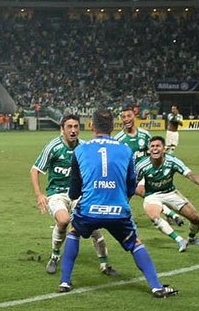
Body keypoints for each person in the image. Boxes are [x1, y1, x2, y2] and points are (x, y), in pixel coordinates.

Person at [58, 108, 177, 298]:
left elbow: (74, 189)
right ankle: (156, 286)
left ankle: (65, 281)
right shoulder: (125, 150)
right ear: (113, 127)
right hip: (118, 210)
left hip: (90, 209)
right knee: (135, 243)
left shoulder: (80, 150)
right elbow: (132, 184)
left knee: (74, 232)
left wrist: (81, 196)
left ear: (92, 126)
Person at [30, 114, 118, 276]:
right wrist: (39, 195)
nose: (73, 130)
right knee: (63, 221)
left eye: (76, 127)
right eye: (69, 127)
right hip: (57, 194)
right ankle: (55, 256)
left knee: (94, 225)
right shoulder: (54, 147)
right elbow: (35, 170)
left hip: (79, 194)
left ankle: (104, 264)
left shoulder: (84, 148)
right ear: (61, 130)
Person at [136, 136, 199, 252]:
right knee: (155, 218)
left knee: (195, 219)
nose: (155, 149)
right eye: (152, 146)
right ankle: (180, 240)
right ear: (148, 150)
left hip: (170, 193)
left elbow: (188, 173)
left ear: (164, 149)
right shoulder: (142, 165)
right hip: (152, 196)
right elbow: (132, 182)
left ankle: (191, 238)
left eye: (158, 146)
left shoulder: (172, 161)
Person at [114, 107, 184, 226]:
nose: (126, 119)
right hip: (127, 175)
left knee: (145, 192)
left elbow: (153, 152)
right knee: (123, 201)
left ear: (134, 117)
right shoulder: (118, 139)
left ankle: (170, 214)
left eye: (129, 116)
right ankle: (168, 213)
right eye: (124, 117)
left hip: (144, 173)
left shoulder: (145, 135)